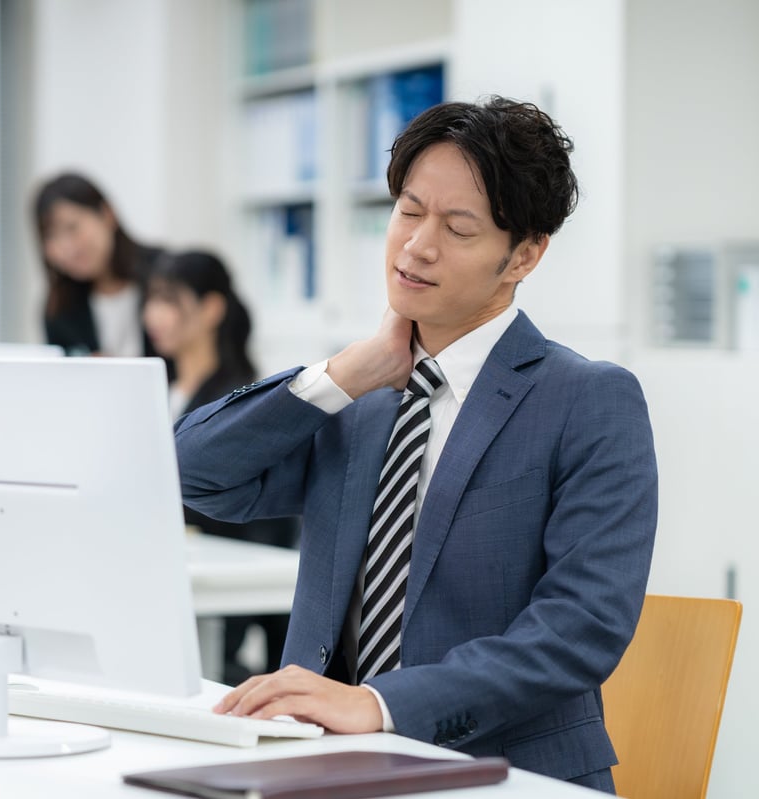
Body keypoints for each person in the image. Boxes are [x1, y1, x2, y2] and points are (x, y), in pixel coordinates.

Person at [174, 97, 657, 792]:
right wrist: (344, 373)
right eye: (407, 210)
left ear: (524, 253)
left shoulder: (587, 400)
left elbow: (581, 626)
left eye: (458, 228)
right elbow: (189, 473)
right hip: (317, 764)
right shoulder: (355, 394)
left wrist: (379, 704)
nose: (416, 245)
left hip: (500, 773)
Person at [142, 251, 299, 684]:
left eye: (169, 300)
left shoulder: (238, 400)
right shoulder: (155, 389)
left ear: (211, 309)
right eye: (150, 300)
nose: (153, 314)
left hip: (218, 591)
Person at [33, 173, 164, 356]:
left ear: (107, 214)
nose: (67, 248)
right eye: (51, 236)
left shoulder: (165, 272)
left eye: (72, 227)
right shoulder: (60, 308)